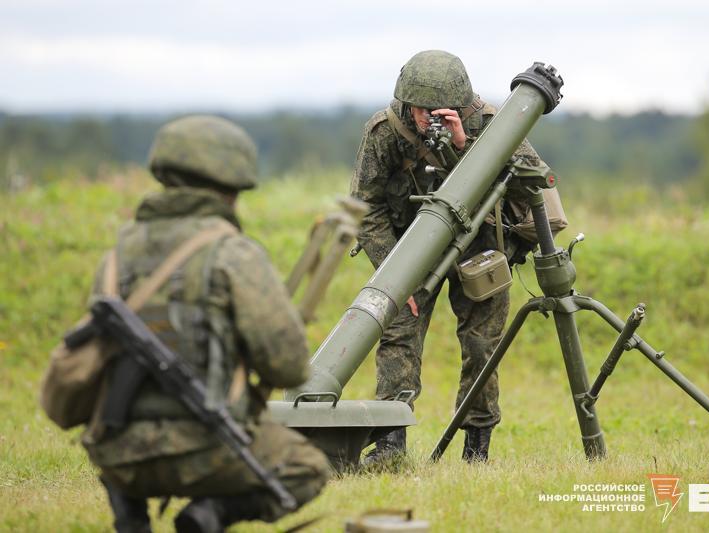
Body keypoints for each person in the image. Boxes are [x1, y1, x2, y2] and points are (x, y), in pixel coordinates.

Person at [80, 115, 331, 532]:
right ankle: (208, 515)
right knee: (307, 467)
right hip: (206, 449)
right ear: (232, 185)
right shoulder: (234, 255)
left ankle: (128, 508)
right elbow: (288, 368)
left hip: (116, 451)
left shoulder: (116, 256)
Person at [351, 50, 556, 463]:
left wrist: (466, 147)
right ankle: (389, 444)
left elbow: (534, 185)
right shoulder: (385, 132)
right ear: (406, 103)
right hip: (410, 250)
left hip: (479, 246)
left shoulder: (491, 124)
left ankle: (477, 448)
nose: (431, 118)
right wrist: (394, 274)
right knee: (397, 337)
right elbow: (365, 207)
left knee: (482, 347)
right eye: (422, 110)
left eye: (442, 111)